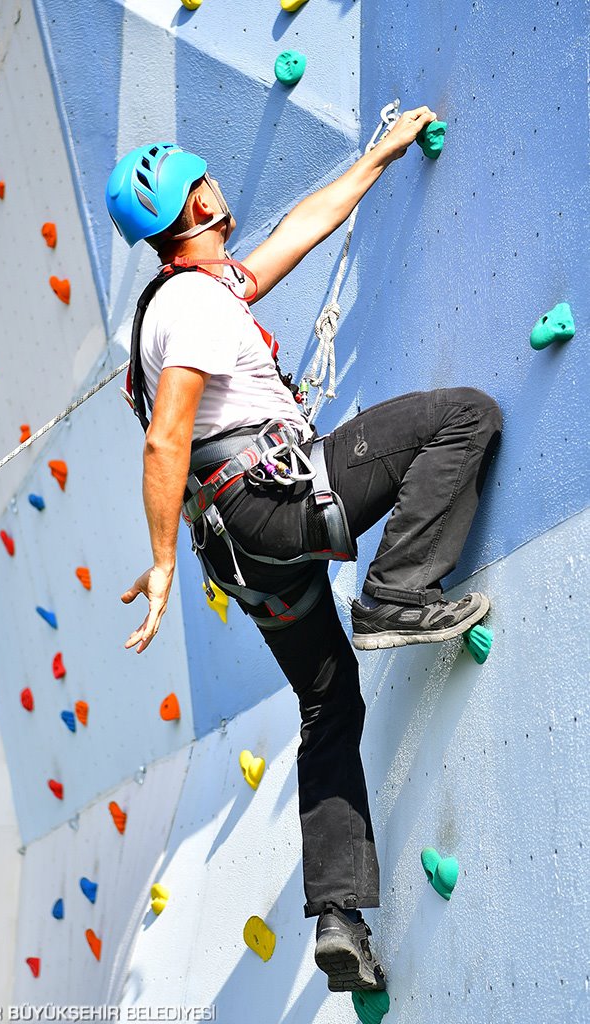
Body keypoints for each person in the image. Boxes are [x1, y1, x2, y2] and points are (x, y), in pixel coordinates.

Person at [105, 105, 503, 993]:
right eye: (203, 179)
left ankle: (339, 919)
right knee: (463, 416)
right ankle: (398, 592)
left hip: (245, 556)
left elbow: (299, 230)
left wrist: (379, 156)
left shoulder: (190, 295)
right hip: (271, 500)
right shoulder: (193, 307)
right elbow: (166, 438)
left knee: (327, 703)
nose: (216, 185)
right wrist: (159, 561)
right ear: (194, 202)